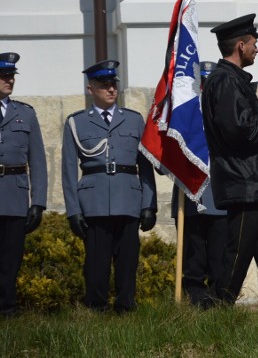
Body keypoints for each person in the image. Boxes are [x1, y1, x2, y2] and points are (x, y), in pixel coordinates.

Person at [201, 14, 258, 305]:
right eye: (253, 43)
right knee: (237, 253)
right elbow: (239, 132)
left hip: (255, 181)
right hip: (244, 183)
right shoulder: (225, 81)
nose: (257, 49)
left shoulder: (233, 80)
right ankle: (218, 306)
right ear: (240, 46)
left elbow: (245, 127)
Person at [61, 59, 157, 312]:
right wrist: (73, 210)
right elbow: (68, 170)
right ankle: (96, 309)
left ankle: (126, 308)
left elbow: (145, 166)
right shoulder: (76, 122)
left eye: (113, 84)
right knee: (96, 263)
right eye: (104, 85)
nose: (111, 89)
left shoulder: (134, 120)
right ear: (90, 88)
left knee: (127, 261)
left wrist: (149, 205)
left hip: (128, 199)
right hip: (94, 202)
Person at [170, 60, 227, 306]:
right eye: (202, 82)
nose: (205, 87)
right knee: (193, 259)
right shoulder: (184, 116)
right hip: (190, 193)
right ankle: (194, 303)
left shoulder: (226, 113)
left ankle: (219, 303)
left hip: (220, 193)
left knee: (219, 257)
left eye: (209, 82)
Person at [0, 53, 47, 316]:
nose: (10, 81)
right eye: (4, 76)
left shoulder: (25, 114)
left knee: (11, 260)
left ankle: (8, 310)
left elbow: (38, 161)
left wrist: (38, 202)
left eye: (11, 76)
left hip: (15, 197)